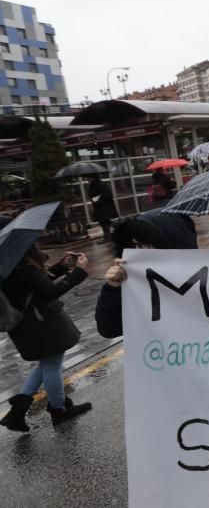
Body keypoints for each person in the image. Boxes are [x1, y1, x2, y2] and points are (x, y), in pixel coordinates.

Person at [1, 233, 91, 432]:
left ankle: (17, 413)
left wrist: (61, 267)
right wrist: (78, 272)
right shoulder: (22, 267)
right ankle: (58, 411)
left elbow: (36, 287)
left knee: (47, 365)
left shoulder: (7, 266)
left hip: (27, 327)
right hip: (41, 325)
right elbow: (49, 292)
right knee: (52, 367)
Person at [97, 209, 198, 338]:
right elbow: (108, 329)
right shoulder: (132, 282)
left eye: (148, 244)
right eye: (135, 246)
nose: (140, 251)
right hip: (155, 353)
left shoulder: (203, 280)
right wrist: (113, 289)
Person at [88, 174, 117, 243]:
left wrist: (97, 199)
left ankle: (108, 237)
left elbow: (108, 195)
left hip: (104, 208)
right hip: (100, 207)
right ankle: (109, 236)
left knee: (105, 223)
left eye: (88, 178)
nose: (87, 179)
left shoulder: (100, 184)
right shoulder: (94, 185)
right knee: (104, 223)